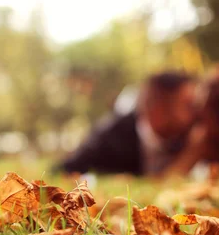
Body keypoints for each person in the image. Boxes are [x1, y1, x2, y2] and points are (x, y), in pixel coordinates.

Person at [56, 71, 200, 176]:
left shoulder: (194, 136)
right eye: (188, 105)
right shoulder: (109, 138)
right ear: (158, 109)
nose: (196, 111)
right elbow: (65, 169)